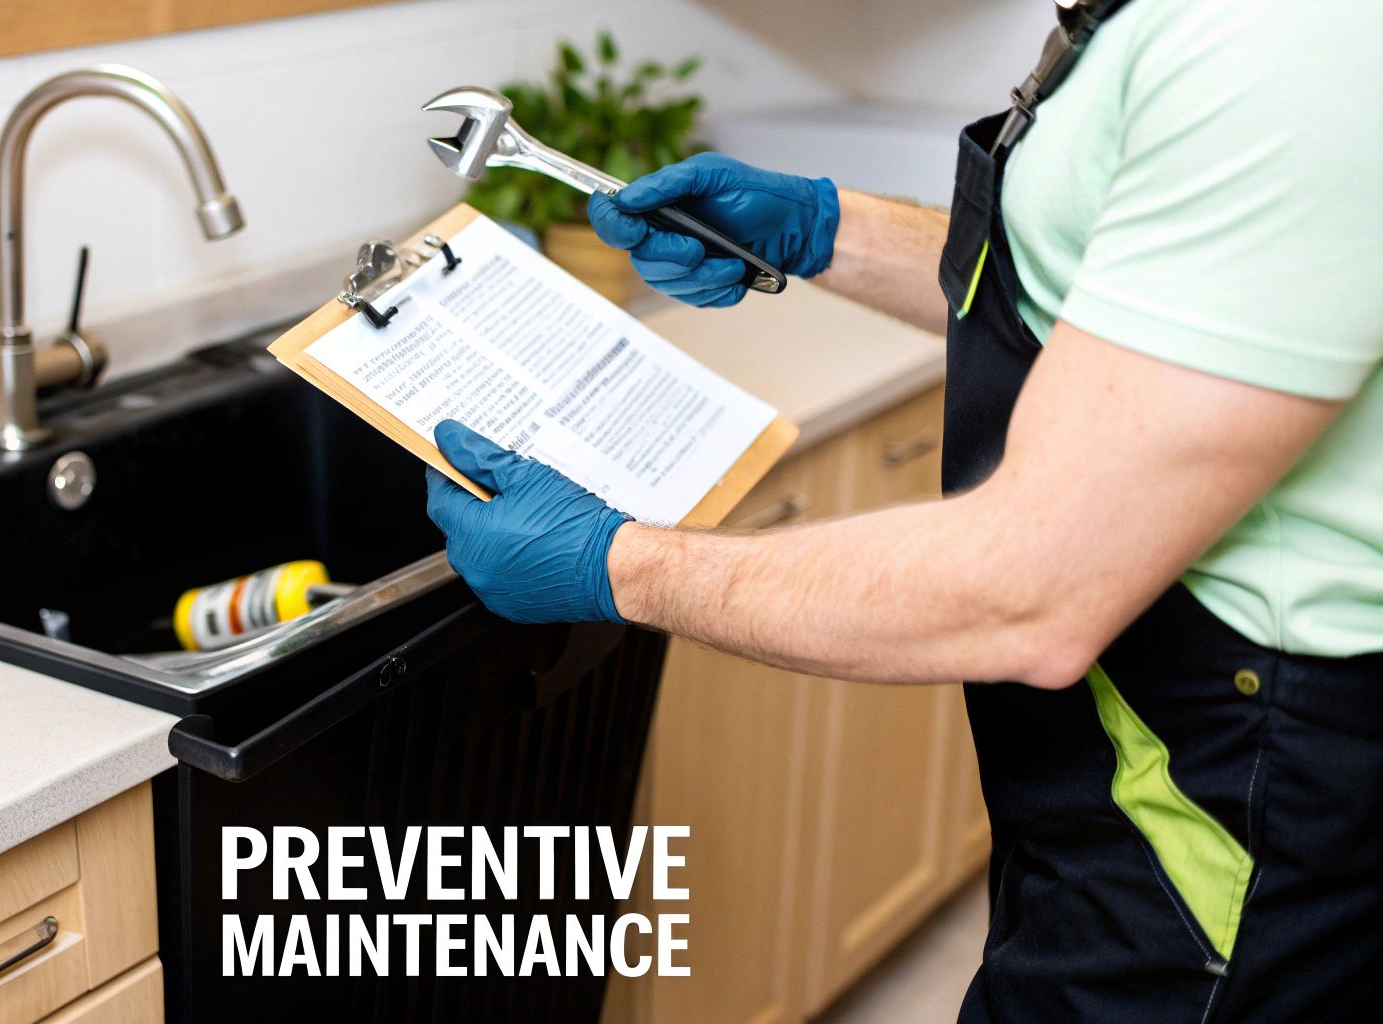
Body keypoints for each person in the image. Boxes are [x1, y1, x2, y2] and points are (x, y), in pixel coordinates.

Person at [421, 0, 1382, 1019]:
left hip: (1225, 806)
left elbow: (1031, 585)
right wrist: (827, 228)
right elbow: (1093, 281)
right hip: (1114, 780)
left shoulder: (1279, 42)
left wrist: (618, 563)